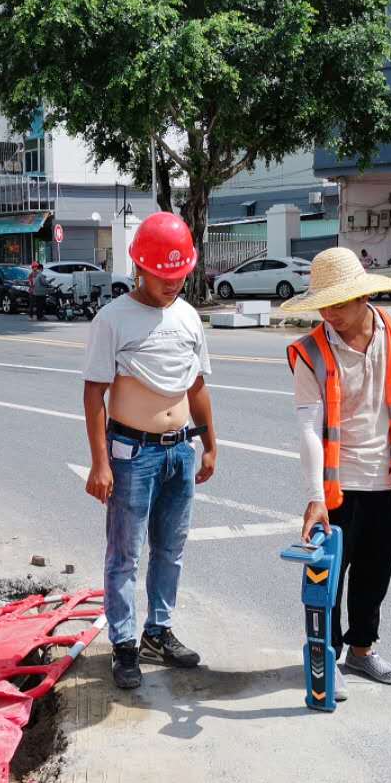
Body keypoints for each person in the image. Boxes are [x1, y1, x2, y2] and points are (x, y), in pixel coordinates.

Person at [282, 246, 391, 701]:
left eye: (340, 303)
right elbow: (307, 427)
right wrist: (314, 496)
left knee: (375, 573)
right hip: (338, 485)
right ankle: (327, 657)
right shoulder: (310, 351)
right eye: (324, 304)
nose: (331, 313)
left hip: (390, 477)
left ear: (363, 297)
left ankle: (361, 650)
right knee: (327, 577)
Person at [81, 213, 218, 689]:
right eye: (164, 275)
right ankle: (124, 644)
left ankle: (158, 631)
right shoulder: (114, 319)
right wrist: (100, 462)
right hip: (132, 454)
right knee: (125, 553)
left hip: (179, 450)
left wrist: (209, 444)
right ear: (141, 267)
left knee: (171, 549)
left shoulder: (187, 316)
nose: (172, 284)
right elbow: (93, 393)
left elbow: (197, 385)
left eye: (180, 275)